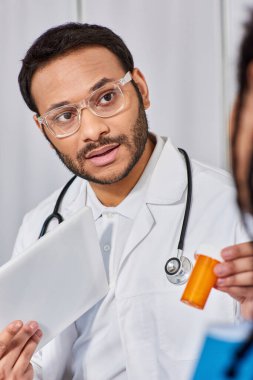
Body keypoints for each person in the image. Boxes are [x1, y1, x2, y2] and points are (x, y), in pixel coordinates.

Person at [0, 22, 252, 380]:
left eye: (106, 97)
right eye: (64, 116)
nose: (92, 131)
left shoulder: (232, 210)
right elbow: (39, 364)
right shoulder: (39, 226)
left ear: (142, 89)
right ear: (45, 130)